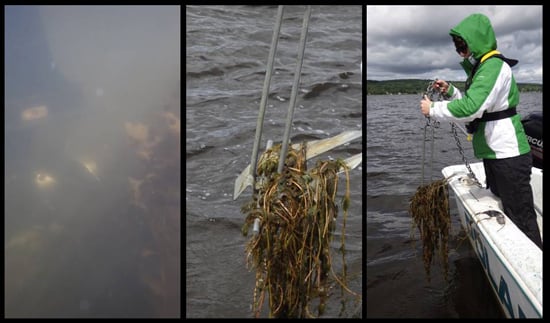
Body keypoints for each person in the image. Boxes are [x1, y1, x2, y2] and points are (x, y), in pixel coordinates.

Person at [419, 13, 542, 249]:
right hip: (496, 154)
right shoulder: (483, 68)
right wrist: (450, 92)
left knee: (522, 216)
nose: (460, 50)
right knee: (504, 204)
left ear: (476, 40)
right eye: (457, 46)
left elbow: (472, 108)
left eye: (463, 44)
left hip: (509, 156)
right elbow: (479, 104)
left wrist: (433, 108)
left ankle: (536, 267)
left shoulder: (494, 67)